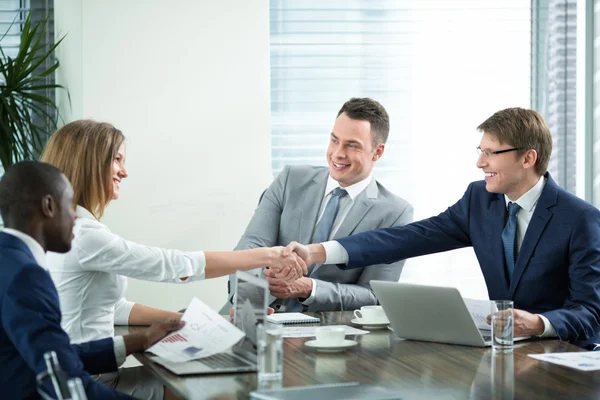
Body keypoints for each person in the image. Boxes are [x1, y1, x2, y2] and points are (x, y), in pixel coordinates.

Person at [285, 107, 600, 349]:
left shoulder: (580, 219)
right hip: (505, 352)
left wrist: (540, 323)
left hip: (561, 357)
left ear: (528, 158)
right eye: (481, 151)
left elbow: (591, 313)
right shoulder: (480, 200)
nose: (480, 163)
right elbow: (409, 238)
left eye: (491, 153)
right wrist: (318, 252)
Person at [40, 120, 306, 348]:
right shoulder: (84, 236)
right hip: (89, 378)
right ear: (90, 164)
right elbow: (173, 266)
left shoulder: (58, 229)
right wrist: (266, 255)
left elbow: (114, 309)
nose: (124, 171)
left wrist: (204, 321)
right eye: (117, 160)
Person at [0, 161, 186, 399]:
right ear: (48, 206)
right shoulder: (27, 275)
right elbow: (67, 385)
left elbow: (54, 356)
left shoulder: (9, 258)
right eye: (70, 206)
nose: (75, 218)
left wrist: (137, 341)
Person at [229, 97, 413, 312]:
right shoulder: (290, 179)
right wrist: (248, 305)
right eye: (334, 140)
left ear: (378, 152)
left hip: (328, 331)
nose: (338, 153)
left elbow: (375, 294)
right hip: (258, 314)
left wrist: (309, 288)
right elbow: (249, 249)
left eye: (352, 145)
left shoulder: (395, 212)